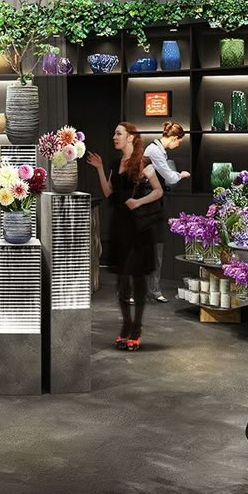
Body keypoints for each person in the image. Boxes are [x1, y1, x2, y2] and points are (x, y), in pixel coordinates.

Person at [87, 122, 163, 351]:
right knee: (121, 280)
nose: (114, 136)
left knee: (137, 278)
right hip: (120, 227)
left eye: (118, 133)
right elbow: (109, 193)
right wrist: (100, 168)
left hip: (138, 229)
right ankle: (126, 324)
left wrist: (139, 201)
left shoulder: (142, 163)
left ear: (131, 137)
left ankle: (136, 327)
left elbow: (158, 190)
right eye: (114, 133)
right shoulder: (114, 163)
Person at [143, 122, 190, 303]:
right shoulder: (154, 151)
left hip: (156, 201)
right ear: (173, 138)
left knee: (157, 247)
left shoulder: (159, 151)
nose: (178, 145)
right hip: (148, 202)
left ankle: (153, 289)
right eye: (179, 141)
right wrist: (181, 174)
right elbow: (169, 177)